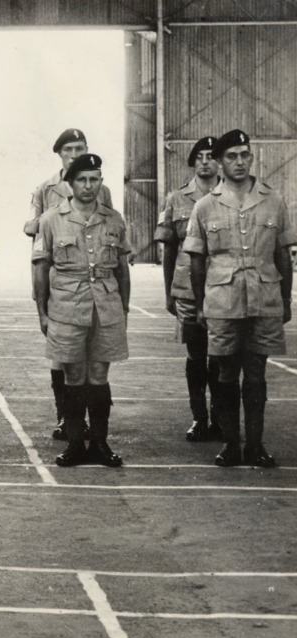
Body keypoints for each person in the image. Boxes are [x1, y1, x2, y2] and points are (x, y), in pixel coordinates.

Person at [183, 129, 295, 467]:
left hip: (265, 300)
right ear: (218, 162)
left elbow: (283, 256)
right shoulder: (205, 206)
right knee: (227, 375)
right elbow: (197, 261)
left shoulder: (274, 200)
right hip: (223, 302)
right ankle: (232, 444)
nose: (240, 162)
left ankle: (255, 446)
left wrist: (286, 302)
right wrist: (202, 304)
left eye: (245, 155)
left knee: (257, 376)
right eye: (231, 156)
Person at [32, 153, 130, 468]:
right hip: (65, 307)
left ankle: (100, 444)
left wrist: (123, 310)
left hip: (106, 305)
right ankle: (75, 444)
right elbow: (40, 270)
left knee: (99, 375)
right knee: (73, 375)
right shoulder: (50, 220)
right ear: (70, 183)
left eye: (95, 179)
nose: (89, 186)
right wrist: (43, 314)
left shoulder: (114, 219)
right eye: (82, 180)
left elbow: (123, 270)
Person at [24, 128, 113, 442]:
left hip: (92, 278)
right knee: (62, 358)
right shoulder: (45, 189)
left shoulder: (100, 189)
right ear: (59, 155)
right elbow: (32, 228)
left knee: (93, 362)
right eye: (69, 150)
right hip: (58, 275)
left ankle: (88, 424)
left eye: (80, 148)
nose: (74, 155)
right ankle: (66, 418)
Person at [155, 136, 221, 442]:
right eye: (200, 157)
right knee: (197, 356)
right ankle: (200, 418)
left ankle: (221, 418)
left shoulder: (231, 195)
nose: (205, 161)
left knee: (222, 357)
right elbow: (168, 249)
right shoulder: (176, 199)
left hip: (224, 288)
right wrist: (169, 290)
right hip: (187, 290)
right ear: (193, 163)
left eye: (211, 156)